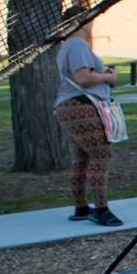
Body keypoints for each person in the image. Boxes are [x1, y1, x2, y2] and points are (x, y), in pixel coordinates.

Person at [53, 12, 123, 227]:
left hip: (70, 106)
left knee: (82, 156)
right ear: (81, 21)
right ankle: (101, 210)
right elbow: (83, 77)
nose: (93, 22)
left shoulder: (69, 45)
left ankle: (82, 207)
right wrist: (109, 77)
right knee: (101, 152)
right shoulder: (77, 45)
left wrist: (103, 76)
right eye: (91, 18)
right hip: (80, 105)